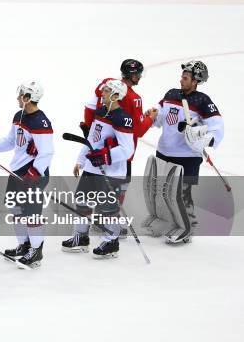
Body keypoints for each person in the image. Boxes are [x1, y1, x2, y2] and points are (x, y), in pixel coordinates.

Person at [145, 60, 224, 243]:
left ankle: (187, 226)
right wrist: (153, 114)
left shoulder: (202, 101)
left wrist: (204, 138)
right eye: (182, 76)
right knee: (160, 191)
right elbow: (160, 116)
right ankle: (167, 221)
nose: (181, 80)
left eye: (186, 77)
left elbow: (217, 127)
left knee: (180, 194)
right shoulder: (171, 94)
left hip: (187, 157)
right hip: (164, 151)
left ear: (195, 80)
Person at [80, 59, 157, 236]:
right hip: (121, 150)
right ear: (135, 75)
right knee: (118, 186)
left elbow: (90, 106)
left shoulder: (106, 84)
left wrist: (90, 129)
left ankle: (98, 221)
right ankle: (107, 224)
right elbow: (138, 130)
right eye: (139, 74)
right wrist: (150, 118)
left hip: (98, 142)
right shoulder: (134, 98)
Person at [62, 80, 134, 258]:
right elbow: (92, 141)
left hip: (112, 172)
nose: (102, 93)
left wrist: (105, 156)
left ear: (116, 95)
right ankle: (81, 237)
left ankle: (111, 242)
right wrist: (80, 160)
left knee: (108, 208)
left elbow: (127, 149)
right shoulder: (101, 111)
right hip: (92, 168)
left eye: (107, 91)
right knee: (82, 201)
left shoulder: (122, 118)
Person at [0, 81, 54, 268]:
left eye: (21, 96)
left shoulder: (40, 122)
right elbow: (11, 141)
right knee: (16, 210)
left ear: (28, 98)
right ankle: (24, 244)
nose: (18, 98)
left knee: (31, 214)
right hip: (16, 171)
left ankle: (36, 251)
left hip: (33, 175)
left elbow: (47, 152)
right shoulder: (19, 115)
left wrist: (34, 174)